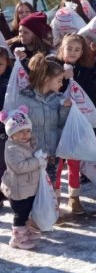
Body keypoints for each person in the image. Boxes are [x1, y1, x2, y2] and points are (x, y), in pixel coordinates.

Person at [53, 34, 96, 215]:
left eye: (77, 50)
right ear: (62, 48)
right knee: (57, 163)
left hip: (76, 123)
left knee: (74, 162)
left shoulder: (85, 71)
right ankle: (55, 199)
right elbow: (48, 89)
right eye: (69, 48)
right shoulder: (52, 66)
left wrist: (74, 77)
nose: (72, 52)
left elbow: (87, 96)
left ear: (82, 52)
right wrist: (63, 77)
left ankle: (74, 197)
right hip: (55, 122)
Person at [18, 54, 71, 192]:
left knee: (49, 190)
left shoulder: (58, 99)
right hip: (32, 155)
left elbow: (61, 124)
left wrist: (65, 109)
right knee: (32, 189)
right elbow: (20, 125)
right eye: (59, 81)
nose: (61, 84)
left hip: (51, 154)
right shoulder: (25, 97)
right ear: (47, 80)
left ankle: (50, 212)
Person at [0, 107, 44, 249]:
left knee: (27, 211)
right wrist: (37, 162)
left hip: (28, 187)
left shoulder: (27, 143)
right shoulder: (12, 148)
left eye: (27, 130)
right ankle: (17, 238)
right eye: (20, 131)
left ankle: (25, 230)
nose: (25, 134)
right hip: (17, 189)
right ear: (11, 134)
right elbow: (19, 167)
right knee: (20, 213)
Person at [0, 47, 13, 210]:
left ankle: (3, 192)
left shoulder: (10, 81)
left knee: (4, 163)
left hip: (5, 129)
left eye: (0, 64)